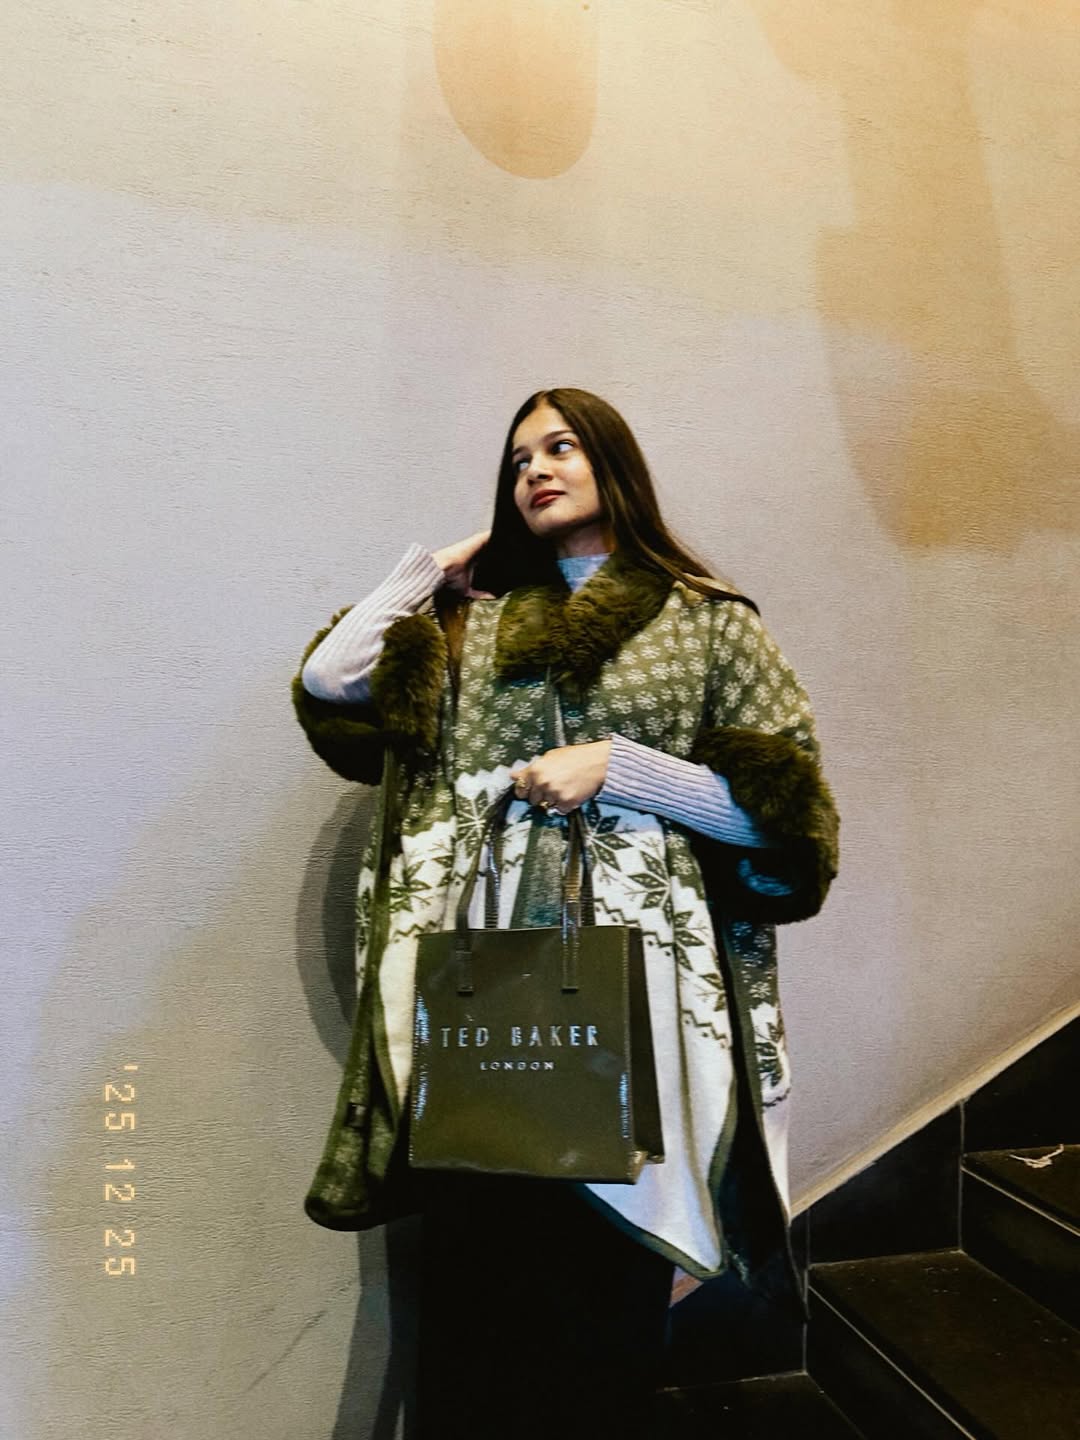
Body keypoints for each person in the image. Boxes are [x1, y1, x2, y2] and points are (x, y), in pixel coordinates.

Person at [292, 388, 839, 1438]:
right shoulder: (473, 626)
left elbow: (784, 818)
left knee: (603, 1280)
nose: (536, 470)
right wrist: (435, 572)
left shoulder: (710, 624)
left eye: (561, 447)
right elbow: (332, 682)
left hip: (638, 994)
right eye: (518, 461)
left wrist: (623, 769)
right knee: (476, 1266)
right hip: (485, 985)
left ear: (614, 463)